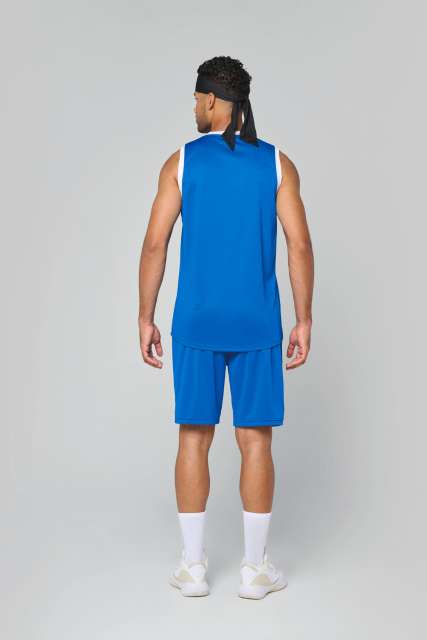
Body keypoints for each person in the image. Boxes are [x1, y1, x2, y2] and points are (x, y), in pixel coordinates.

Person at [138, 56, 314, 599]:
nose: (194, 107)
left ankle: (193, 569)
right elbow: (300, 245)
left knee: (194, 435)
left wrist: (145, 316)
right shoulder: (277, 163)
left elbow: (155, 244)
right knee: (254, 439)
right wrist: (304, 318)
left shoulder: (181, 162)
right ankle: (255, 571)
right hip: (257, 322)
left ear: (212, 99)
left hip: (196, 321)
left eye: (197, 98)